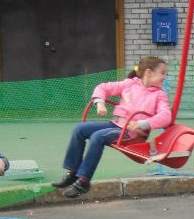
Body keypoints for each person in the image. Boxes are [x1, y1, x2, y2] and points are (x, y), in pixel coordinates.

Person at [52, 55, 171, 198]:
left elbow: (166, 116)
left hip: (129, 132)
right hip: (114, 124)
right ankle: (72, 172)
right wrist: (100, 103)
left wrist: (142, 123)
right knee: (79, 129)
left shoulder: (159, 95)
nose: (165, 76)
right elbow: (102, 87)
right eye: (163, 73)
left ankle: (83, 180)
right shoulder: (129, 84)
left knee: (98, 137)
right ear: (148, 72)